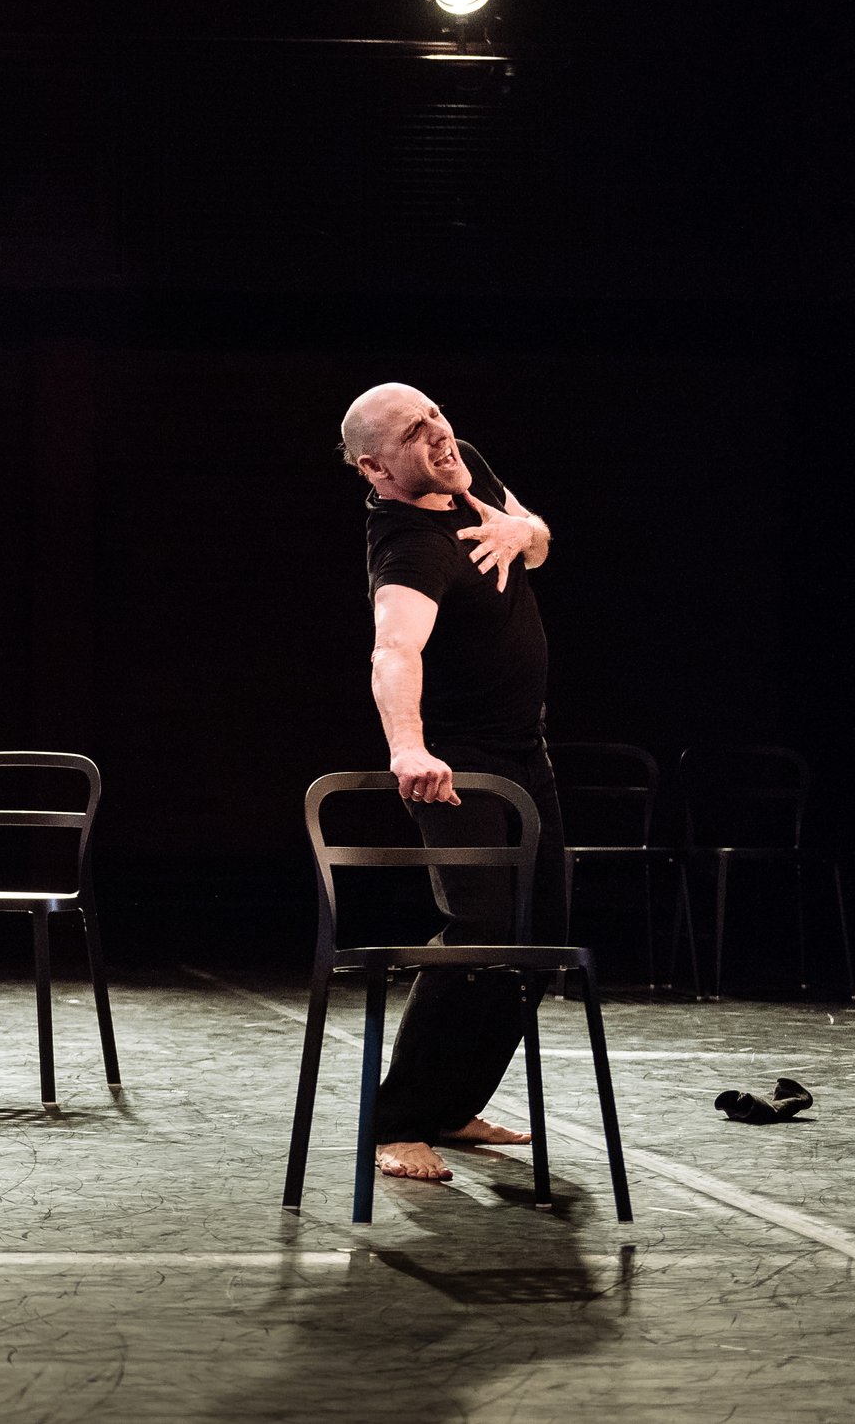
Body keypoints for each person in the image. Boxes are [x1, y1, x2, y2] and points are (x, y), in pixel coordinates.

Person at [340, 381, 565, 1184]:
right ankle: (395, 1122)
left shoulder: (461, 466)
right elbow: (394, 651)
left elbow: (536, 540)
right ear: (376, 466)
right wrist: (408, 748)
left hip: (526, 752)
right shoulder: (408, 544)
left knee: (539, 939)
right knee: (477, 937)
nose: (439, 432)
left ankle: (452, 1104)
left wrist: (522, 529)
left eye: (437, 414)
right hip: (465, 769)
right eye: (414, 430)